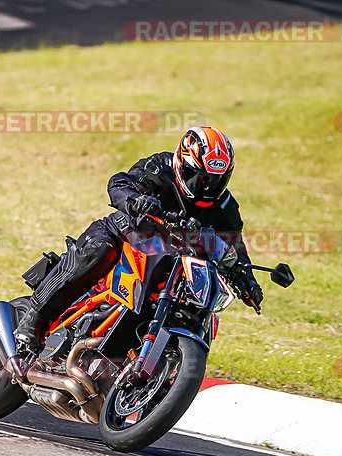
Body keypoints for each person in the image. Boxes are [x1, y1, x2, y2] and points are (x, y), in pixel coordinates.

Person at [15, 126, 262, 346]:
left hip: (174, 259)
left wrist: (248, 280)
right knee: (100, 249)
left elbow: (234, 245)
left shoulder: (225, 206)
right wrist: (136, 202)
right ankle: (36, 315)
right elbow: (120, 183)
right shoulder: (160, 168)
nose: (206, 187)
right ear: (182, 163)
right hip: (128, 234)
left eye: (217, 181)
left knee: (198, 297)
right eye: (199, 178)